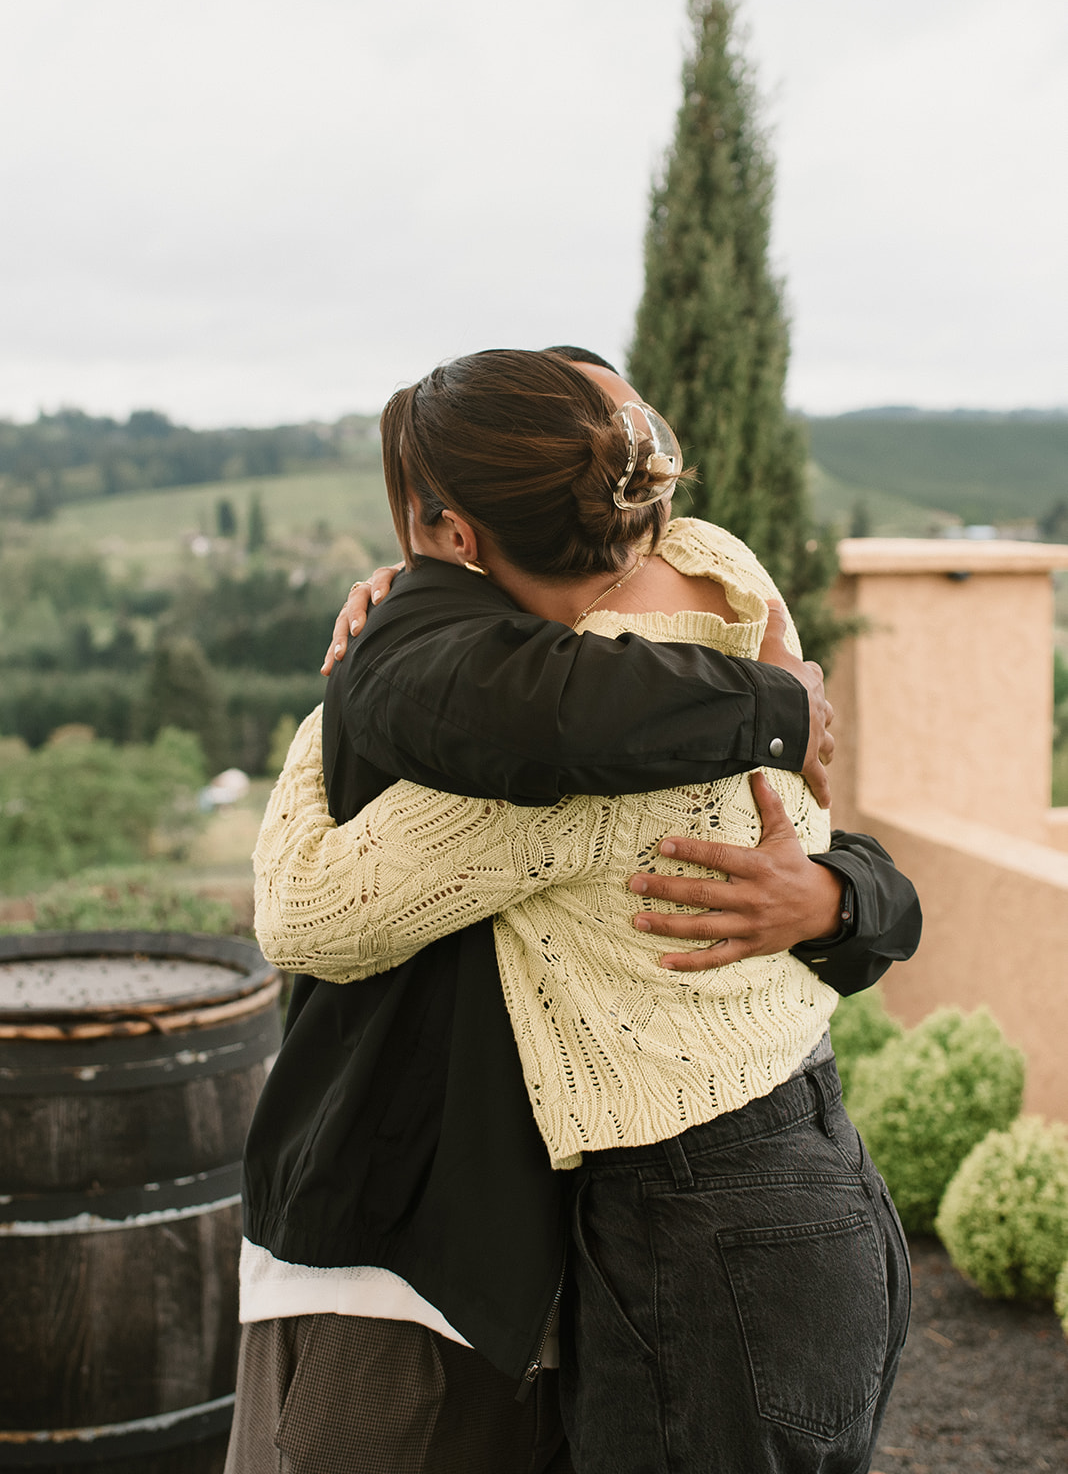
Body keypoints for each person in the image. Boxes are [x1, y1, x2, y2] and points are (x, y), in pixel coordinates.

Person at [230, 348, 917, 1474]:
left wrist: (343, 697)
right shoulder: (729, 589)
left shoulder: (552, 733)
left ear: (460, 533)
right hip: (813, 1172)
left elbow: (307, 910)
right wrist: (848, 895)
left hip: (680, 1226)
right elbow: (848, 866)